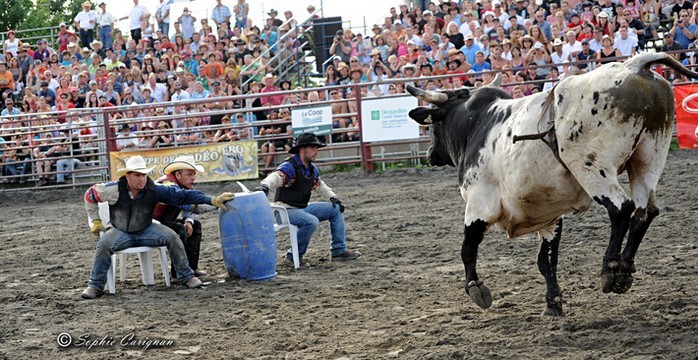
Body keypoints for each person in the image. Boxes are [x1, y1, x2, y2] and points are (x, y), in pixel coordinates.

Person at [81, 156, 234, 299]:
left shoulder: (155, 189)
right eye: (137, 175)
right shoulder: (112, 189)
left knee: (173, 236)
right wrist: (95, 220)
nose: (141, 179)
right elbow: (90, 195)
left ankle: (186, 276)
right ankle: (95, 285)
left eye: (143, 175)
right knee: (104, 244)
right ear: (128, 176)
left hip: (147, 228)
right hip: (121, 231)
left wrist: (212, 199)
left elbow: (185, 196)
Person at [252, 133, 361, 266]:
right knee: (311, 221)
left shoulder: (311, 168)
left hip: (301, 208)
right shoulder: (289, 166)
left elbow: (319, 185)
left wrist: (333, 197)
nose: (316, 151)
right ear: (303, 149)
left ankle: (338, 250)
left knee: (336, 209)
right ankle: (293, 257)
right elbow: (276, 177)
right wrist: (264, 186)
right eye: (313, 148)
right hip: (284, 210)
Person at [154, 155, 209, 279]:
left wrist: (189, 220)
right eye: (189, 175)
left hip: (163, 222)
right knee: (179, 229)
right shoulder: (168, 186)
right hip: (151, 224)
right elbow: (191, 205)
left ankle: (190, 267)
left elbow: (189, 204)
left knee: (194, 225)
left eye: (193, 175)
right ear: (178, 175)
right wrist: (215, 203)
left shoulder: (178, 185)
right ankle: (180, 271)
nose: (193, 178)